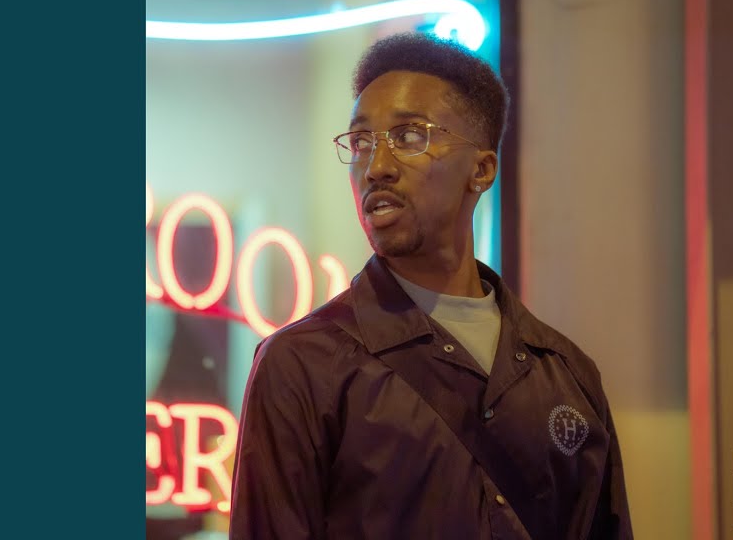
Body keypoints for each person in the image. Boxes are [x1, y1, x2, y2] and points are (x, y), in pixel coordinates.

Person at [229, 32, 633, 539]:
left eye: (408, 137)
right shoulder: (303, 366)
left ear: (481, 169)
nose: (376, 168)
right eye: (361, 142)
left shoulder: (566, 374)